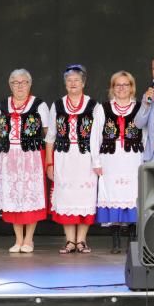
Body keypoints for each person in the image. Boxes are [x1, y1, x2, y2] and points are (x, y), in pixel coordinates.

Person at [0, 69, 48, 253]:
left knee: (30, 196)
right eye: (15, 83)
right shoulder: (2, 105)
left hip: (31, 156)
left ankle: (29, 239)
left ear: (30, 84)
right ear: (10, 85)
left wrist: (49, 159)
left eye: (23, 82)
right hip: (8, 157)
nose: (19, 86)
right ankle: (18, 239)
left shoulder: (39, 104)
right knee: (12, 196)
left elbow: (48, 134)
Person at [45, 64, 104, 254]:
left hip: (86, 159)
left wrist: (97, 161)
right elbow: (50, 137)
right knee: (66, 197)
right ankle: (70, 241)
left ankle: (82, 240)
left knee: (85, 197)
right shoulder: (58, 105)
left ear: (83, 83)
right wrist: (49, 163)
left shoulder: (94, 106)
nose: (73, 83)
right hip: (63, 158)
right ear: (65, 83)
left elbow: (98, 137)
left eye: (76, 80)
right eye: (69, 80)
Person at [94, 71, 144, 253]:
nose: (122, 88)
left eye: (125, 84)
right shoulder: (103, 108)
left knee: (132, 195)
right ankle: (115, 242)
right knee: (112, 196)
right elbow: (95, 137)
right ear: (112, 88)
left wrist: (146, 160)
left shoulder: (140, 108)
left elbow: (146, 135)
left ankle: (132, 241)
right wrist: (96, 162)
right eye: (118, 85)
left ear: (132, 87)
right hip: (110, 159)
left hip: (133, 159)